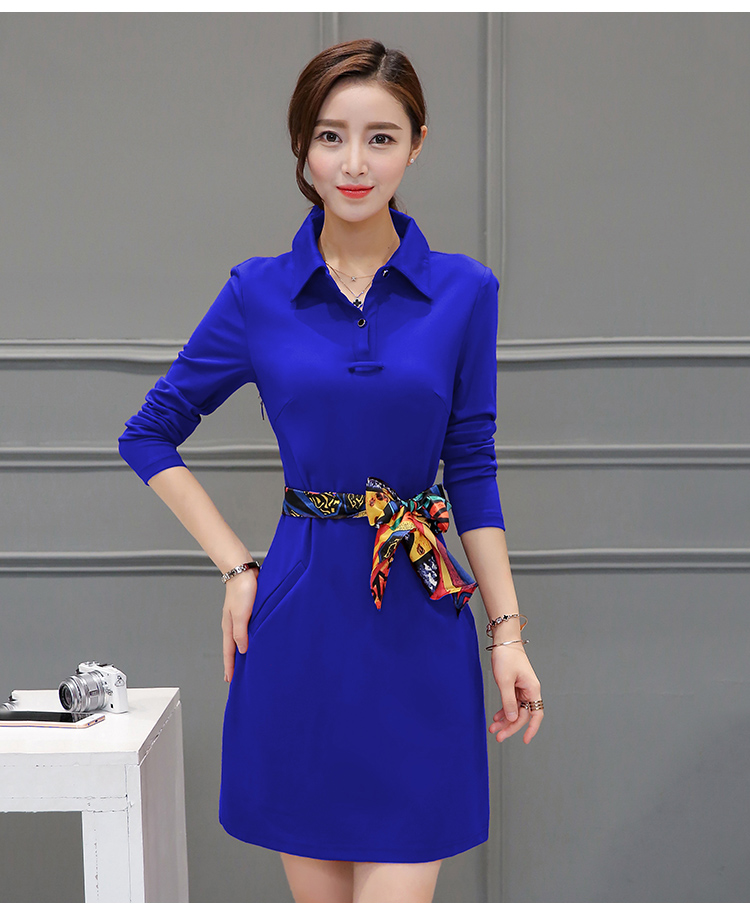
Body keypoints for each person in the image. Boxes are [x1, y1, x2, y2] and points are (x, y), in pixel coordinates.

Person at [119, 38, 544, 904]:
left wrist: (507, 632)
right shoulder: (257, 292)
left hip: (419, 628)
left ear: (416, 145)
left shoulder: (465, 291)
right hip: (299, 629)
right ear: (302, 147)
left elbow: (471, 465)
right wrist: (237, 566)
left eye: (381, 138)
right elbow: (149, 433)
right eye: (330, 136)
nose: (354, 163)